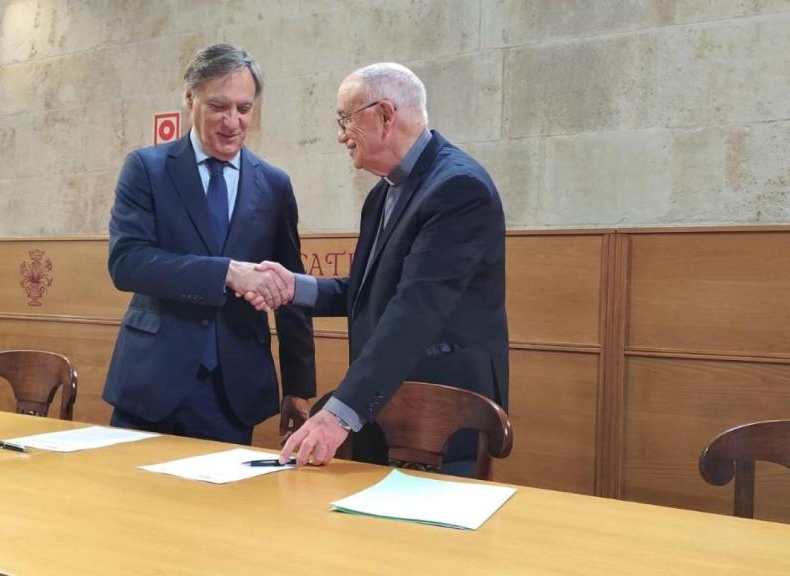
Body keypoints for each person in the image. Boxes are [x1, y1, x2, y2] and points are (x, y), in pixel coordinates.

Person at [250, 63, 508, 477]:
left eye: (345, 119)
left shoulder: (459, 189)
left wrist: (337, 416)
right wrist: (293, 287)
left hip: (441, 414)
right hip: (382, 404)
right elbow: (373, 292)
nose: (339, 134)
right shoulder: (381, 195)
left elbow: (415, 310)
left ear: (386, 115)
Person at [103, 44, 315, 445]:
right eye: (218, 106)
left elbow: (291, 288)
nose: (232, 122)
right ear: (189, 97)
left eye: (244, 108)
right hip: (151, 382)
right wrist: (226, 273)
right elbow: (127, 262)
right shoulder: (146, 169)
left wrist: (298, 386)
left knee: (219, 508)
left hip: (232, 391)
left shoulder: (274, 184)